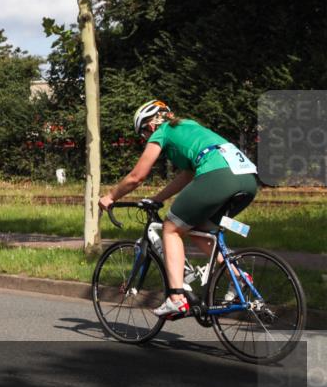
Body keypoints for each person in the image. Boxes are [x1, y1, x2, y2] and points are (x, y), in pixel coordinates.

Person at [99, 100, 259, 318]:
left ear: (150, 126)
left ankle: (176, 298)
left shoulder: (162, 132)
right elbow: (188, 175)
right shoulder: (189, 127)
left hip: (219, 176)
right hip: (248, 180)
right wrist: (157, 198)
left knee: (170, 229)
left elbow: (137, 176)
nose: (145, 139)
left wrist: (110, 196)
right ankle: (238, 276)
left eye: (143, 135)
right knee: (200, 227)